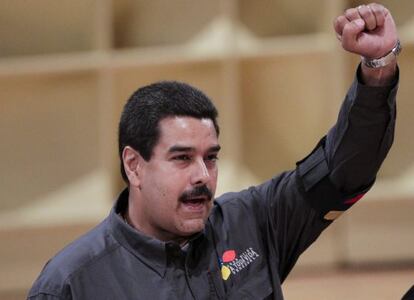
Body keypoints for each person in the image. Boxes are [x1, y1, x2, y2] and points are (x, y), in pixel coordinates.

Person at [28, 3, 400, 299]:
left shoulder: (253, 222)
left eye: (211, 157)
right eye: (182, 158)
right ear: (134, 166)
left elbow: (345, 168)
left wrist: (377, 67)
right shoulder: (70, 283)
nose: (202, 177)